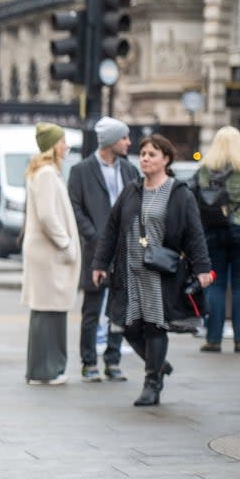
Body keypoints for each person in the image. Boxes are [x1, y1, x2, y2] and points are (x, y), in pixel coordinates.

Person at [92, 135, 212, 407]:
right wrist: (100, 263)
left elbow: (194, 233)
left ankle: (152, 385)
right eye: (143, 153)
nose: (145, 158)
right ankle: (158, 365)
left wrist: (203, 267)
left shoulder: (179, 193)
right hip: (130, 271)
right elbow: (111, 230)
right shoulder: (131, 190)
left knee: (155, 326)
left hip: (160, 274)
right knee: (128, 327)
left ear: (166, 160)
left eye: (152, 154)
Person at [68, 116, 140, 382]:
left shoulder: (129, 170)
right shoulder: (80, 171)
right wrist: (95, 236)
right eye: (124, 138)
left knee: (119, 309)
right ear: (111, 141)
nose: (129, 143)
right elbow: (74, 208)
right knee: (92, 309)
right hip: (96, 250)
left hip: (125, 251)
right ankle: (88, 362)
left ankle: (113, 360)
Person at [22, 124, 81, 386]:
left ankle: (48, 368)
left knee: (50, 311)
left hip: (47, 252)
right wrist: (65, 243)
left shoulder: (46, 172)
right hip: (49, 253)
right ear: (54, 145)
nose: (66, 146)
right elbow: (48, 215)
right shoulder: (46, 173)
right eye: (63, 141)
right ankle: (45, 369)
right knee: (48, 312)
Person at [198, 126, 240, 353]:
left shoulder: (206, 168)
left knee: (216, 283)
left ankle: (213, 339)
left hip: (215, 227)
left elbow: (199, 191)